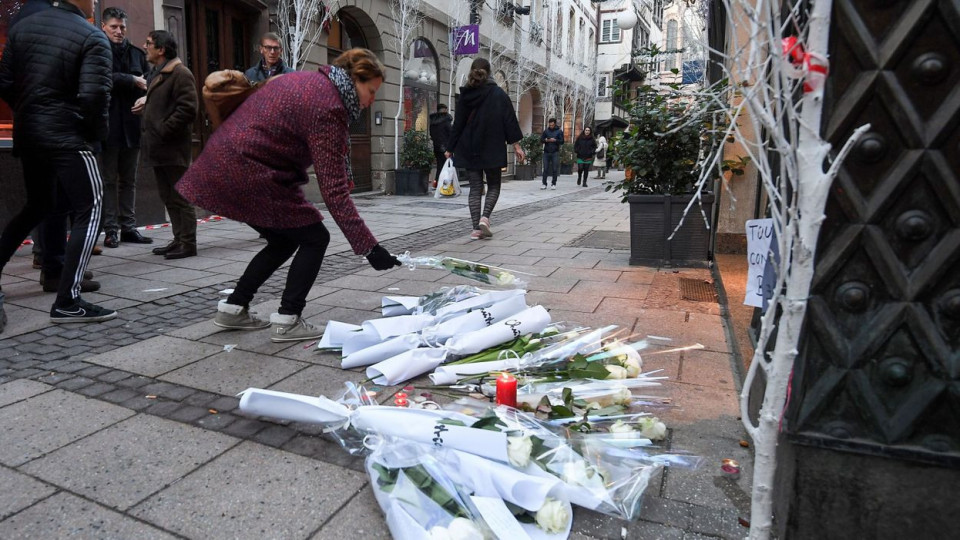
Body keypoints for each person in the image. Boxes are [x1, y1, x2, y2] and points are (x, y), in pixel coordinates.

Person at [176, 48, 401, 342]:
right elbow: (333, 192)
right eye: (370, 91)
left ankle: (233, 308)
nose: (371, 100)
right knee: (315, 237)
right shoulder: (330, 106)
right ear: (354, 78)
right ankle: (288, 318)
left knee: (284, 240)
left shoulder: (304, 81)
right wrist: (370, 248)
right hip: (251, 172)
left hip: (225, 164)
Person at [0, 0, 117, 323]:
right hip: (70, 135)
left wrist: (32, 112)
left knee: (36, 206)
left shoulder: (21, 29)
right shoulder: (92, 36)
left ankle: (59, 285)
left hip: (31, 132)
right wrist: (93, 136)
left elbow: (6, 83)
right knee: (91, 209)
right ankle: (68, 300)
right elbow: (95, 96)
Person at [445, 57, 525, 241]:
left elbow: (458, 124)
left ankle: (475, 229)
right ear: (489, 72)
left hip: (469, 146)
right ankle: (485, 217)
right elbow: (509, 120)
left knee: (475, 188)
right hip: (492, 146)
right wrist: (517, 146)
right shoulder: (499, 94)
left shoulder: (465, 94)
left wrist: (450, 148)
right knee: (494, 184)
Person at [136, 30, 198, 260]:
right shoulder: (157, 73)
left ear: (161, 49)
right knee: (168, 196)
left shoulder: (180, 73)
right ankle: (178, 238)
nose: (145, 46)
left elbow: (188, 108)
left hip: (172, 147)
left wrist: (163, 128)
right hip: (159, 147)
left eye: (149, 43)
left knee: (180, 197)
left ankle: (188, 243)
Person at [99, 7, 153, 249]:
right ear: (104, 26)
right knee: (108, 180)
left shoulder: (136, 54)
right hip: (108, 127)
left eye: (122, 27)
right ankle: (111, 230)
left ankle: (129, 227)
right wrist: (130, 80)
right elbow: (101, 79)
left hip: (132, 126)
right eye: (114, 27)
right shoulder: (98, 51)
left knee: (129, 180)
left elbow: (151, 80)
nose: (119, 31)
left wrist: (146, 97)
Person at [429, 103, 453, 182]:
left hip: (436, 146)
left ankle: (437, 182)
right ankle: (446, 185)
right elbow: (451, 133)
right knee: (448, 166)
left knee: (440, 166)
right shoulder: (446, 121)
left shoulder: (432, 122)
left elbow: (431, 134)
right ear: (444, 110)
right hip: (446, 147)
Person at [540, 117, 563, 190]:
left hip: (555, 152)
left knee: (554, 169)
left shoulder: (559, 131)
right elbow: (541, 140)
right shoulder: (546, 131)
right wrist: (546, 140)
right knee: (545, 168)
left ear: (555, 124)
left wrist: (555, 140)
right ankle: (544, 183)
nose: (551, 126)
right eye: (550, 125)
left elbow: (562, 141)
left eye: (552, 125)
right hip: (546, 152)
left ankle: (553, 183)